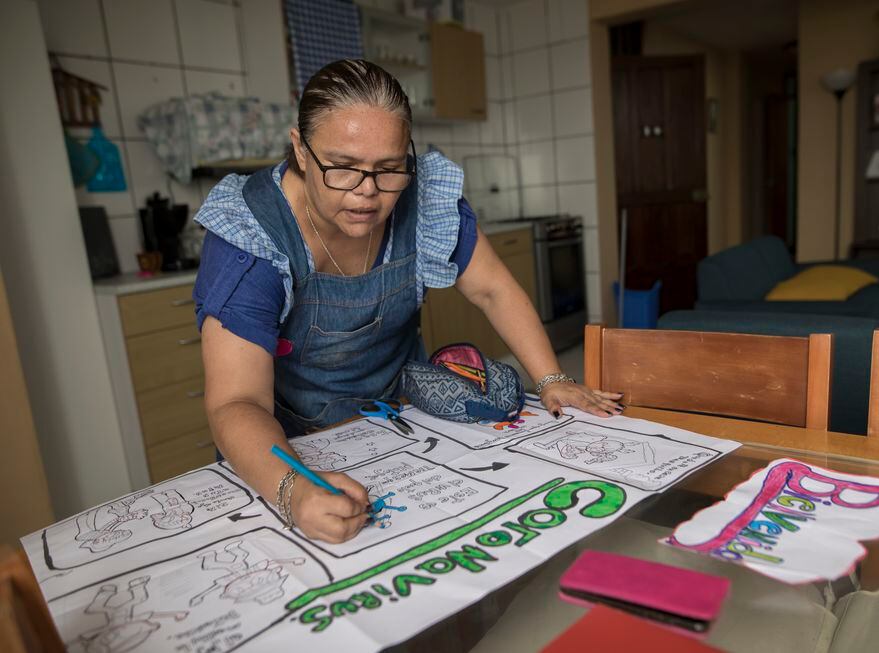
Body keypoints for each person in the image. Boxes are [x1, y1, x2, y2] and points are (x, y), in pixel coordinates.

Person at [192, 59, 623, 545]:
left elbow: (492, 287)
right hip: (288, 450)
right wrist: (292, 489)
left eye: (389, 168)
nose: (367, 194)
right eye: (343, 168)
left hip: (401, 422)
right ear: (301, 149)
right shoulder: (251, 234)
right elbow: (236, 400)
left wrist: (552, 379)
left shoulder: (426, 201)